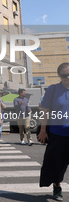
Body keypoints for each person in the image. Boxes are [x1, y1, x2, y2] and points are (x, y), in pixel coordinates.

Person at [38, 62, 69, 201]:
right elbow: (45, 112)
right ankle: (57, 186)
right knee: (57, 164)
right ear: (59, 76)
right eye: (64, 75)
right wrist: (43, 130)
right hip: (58, 134)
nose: (67, 77)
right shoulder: (53, 89)